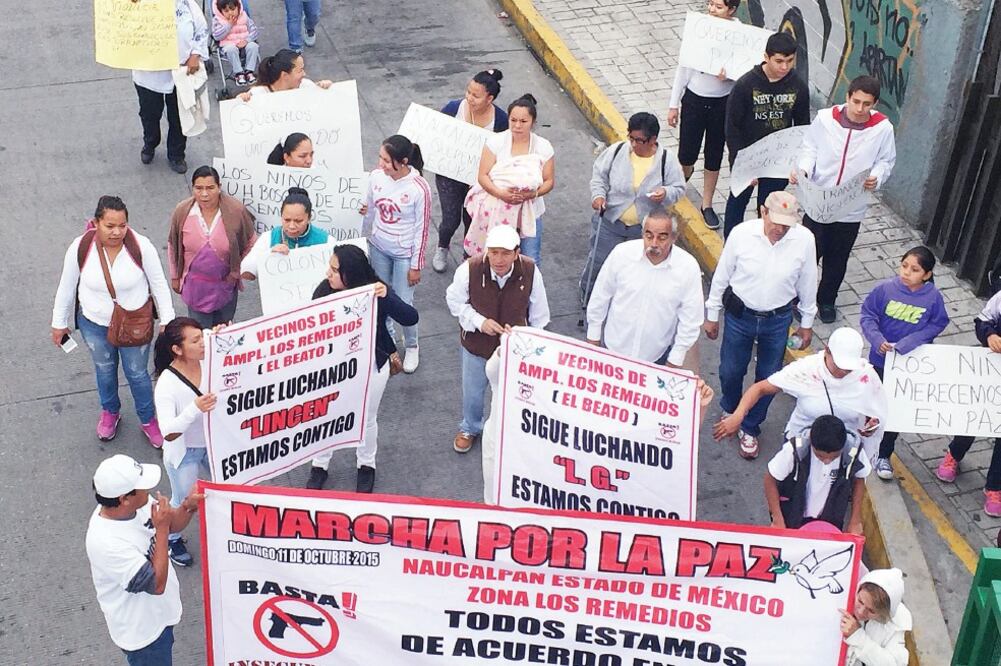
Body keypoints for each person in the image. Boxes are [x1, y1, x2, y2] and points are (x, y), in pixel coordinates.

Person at [52, 196, 176, 446]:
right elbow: (66, 286)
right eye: (110, 226)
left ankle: (148, 419)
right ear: (96, 223)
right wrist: (59, 322)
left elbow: (159, 283)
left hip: (135, 324)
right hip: (94, 324)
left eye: (122, 225)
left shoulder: (141, 246)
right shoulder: (81, 247)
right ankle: (110, 412)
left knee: (137, 374)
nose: (117, 232)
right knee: (105, 370)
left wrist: (168, 319)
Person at [704, 191, 817, 459]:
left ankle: (750, 426)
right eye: (775, 221)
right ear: (763, 212)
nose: (780, 229)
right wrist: (711, 313)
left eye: (786, 224)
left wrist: (807, 321)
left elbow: (808, 281)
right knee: (730, 371)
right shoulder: (741, 234)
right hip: (740, 316)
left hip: (778, 320)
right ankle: (731, 408)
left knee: (770, 377)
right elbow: (722, 275)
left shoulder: (804, 241)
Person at [305, 244, 418, 492]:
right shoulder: (324, 290)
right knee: (328, 415)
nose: (328, 274)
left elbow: (410, 317)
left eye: (335, 270)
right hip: (333, 368)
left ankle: (366, 464)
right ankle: (319, 465)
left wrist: (386, 294)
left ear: (351, 274)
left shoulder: (375, 291)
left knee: (367, 418)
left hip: (372, 365)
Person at [790, 75, 897, 323]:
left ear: (875, 104)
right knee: (808, 254)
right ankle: (799, 298)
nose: (860, 109)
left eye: (867, 104)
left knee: (838, 257)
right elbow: (810, 147)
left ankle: (826, 299)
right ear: (847, 96)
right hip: (819, 200)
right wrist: (804, 169)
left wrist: (877, 177)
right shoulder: (826, 119)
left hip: (850, 206)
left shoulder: (883, 129)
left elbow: (886, 161)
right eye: (856, 101)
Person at [85, 454, 202, 665]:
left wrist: (188, 506)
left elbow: (173, 522)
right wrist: (163, 529)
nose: (147, 491)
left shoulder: (137, 504)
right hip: (142, 633)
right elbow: (156, 584)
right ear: (124, 499)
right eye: (142, 488)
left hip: (159, 614)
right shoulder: (105, 543)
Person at [446, 225, 550, 453]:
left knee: (515, 393)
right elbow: (454, 301)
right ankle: (470, 427)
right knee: (473, 391)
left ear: (516, 252)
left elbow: (540, 315)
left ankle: (510, 430)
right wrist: (479, 321)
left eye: (505, 253)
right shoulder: (469, 269)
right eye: (493, 252)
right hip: (476, 345)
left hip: (515, 349)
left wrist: (530, 342)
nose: (498, 259)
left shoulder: (531, 271)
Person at [714, 327, 887, 461]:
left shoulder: (866, 376)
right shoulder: (806, 369)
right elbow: (760, 389)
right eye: (839, 366)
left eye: (848, 369)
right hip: (801, 448)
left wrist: (872, 424)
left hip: (842, 451)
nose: (843, 372)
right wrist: (737, 416)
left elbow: (875, 411)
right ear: (827, 351)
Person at [581, 112, 686, 318]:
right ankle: (589, 298)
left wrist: (665, 193)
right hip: (611, 222)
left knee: (638, 268)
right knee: (599, 262)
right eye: (632, 138)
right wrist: (599, 196)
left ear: (654, 140)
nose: (635, 144)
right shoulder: (617, 151)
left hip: (643, 230)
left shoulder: (666, 160)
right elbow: (599, 176)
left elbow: (679, 188)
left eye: (641, 140)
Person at [859, 246, 948, 480]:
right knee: (872, 405)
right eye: (904, 265)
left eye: (915, 269)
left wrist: (911, 341)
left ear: (927, 275)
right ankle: (863, 446)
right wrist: (877, 340)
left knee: (895, 410)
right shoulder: (885, 290)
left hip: (907, 365)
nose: (907, 272)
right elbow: (868, 315)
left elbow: (938, 323)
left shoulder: (933, 298)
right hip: (879, 360)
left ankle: (884, 454)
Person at [586, 209, 703, 367]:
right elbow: (600, 297)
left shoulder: (688, 268)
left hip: (656, 358)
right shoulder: (621, 254)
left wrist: (673, 362)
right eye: (649, 236)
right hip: (613, 351)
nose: (654, 243)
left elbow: (690, 320)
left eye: (662, 237)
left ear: (674, 238)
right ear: (642, 234)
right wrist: (593, 341)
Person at [723, 31, 809, 237]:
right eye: (779, 61)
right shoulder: (745, 85)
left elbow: (803, 127)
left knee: (770, 208)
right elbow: (732, 127)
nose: (784, 67)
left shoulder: (798, 86)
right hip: (748, 156)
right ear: (766, 57)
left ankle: (763, 245)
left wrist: (799, 163)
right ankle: (731, 245)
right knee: (737, 202)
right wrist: (740, 162)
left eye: (789, 61)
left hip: (778, 160)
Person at [666, 0, 741, 229]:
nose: (712, 9)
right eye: (710, 4)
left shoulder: (740, 35)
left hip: (723, 102)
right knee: (687, 153)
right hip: (695, 99)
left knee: (714, 154)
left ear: (731, 10)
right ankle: (680, 183)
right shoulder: (699, 27)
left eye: (718, 6)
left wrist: (730, 76)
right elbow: (684, 67)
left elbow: (746, 70)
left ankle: (706, 204)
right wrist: (673, 104)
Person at [361, 135, 431, 374]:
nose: (381, 164)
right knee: (381, 298)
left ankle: (412, 345)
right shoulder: (375, 177)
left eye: (386, 160)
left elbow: (422, 228)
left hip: (404, 254)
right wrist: (361, 239)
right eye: (380, 157)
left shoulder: (419, 188)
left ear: (402, 162)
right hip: (378, 246)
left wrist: (416, 264)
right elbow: (369, 210)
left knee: (403, 301)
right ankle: (389, 344)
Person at [152, 318, 217, 567]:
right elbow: (168, 432)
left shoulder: (210, 351)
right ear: (177, 350)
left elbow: (223, 337)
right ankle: (172, 538)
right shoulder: (167, 385)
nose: (203, 343)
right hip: (185, 452)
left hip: (214, 443)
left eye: (202, 337)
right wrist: (194, 409)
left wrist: (222, 332)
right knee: (183, 500)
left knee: (228, 487)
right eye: (196, 340)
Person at [432, 69, 510, 274]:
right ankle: (442, 246)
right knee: (450, 219)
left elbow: (503, 153)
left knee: (472, 219)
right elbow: (436, 135)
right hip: (449, 175)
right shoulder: (453, 108)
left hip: (479, 181)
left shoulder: (501, 120)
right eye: (468, 92)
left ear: (490, 98)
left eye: (476, 95)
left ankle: (470, 256)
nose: (469, 98)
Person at [465, 94, 555, 265]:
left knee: (530, 259)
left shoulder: (543, 147)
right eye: (513, 120)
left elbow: (549, 181)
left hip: (530, 211)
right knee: (491, 257)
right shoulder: (495, 142)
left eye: (523, 121)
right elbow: (483, 176)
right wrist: (501, 194)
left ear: (533, 122)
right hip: (496, 211)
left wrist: (533, 194)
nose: (517, 125)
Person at [935, 289, 1001, 515]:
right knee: (973, 417)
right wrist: (990, 335)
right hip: (991, 372)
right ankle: (954, 454)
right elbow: (982, 321)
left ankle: (994, 486)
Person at [167, 166, 257, 327]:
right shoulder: (182, 212)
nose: (204, 194)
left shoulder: (235, 211)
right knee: (200, 334)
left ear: (219, 187)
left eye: (210, 188)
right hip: (196, 288)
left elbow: (251, 242)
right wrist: (175, 276)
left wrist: (237, 272)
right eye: (199, 188)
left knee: (224, 333)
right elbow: (173, 245)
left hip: (225, 286)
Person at [133, 0, 210, 174]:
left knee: (178, 116)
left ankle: (176, 154)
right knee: (149, 114)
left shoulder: (186, 4)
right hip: (149, 73)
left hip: (180, 73)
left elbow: (201, 29)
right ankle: (150, 142)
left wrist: (195, 54)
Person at [764, 415, 869, 534]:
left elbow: (859, 479)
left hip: (831, 518)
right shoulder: (793, 450)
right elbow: (770, 479)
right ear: (811, 443)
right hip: (792, 514)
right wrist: (777, 518)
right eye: (820, 456)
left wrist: (855, 519)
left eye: (834, 457)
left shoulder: (854, 451)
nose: (827, 461)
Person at [240, 187, 330, 279]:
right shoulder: (269, 237)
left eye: (298, 221)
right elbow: (246, 273)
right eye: (287, 220)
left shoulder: (327, 241)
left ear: (309, 218)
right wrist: (269, 256)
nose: (291, 226)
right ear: (281, 216)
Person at [842, 569, 911, 665]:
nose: (861, 612)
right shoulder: (841, 599)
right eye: (860, 601)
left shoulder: (894, 623)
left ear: (883, 613)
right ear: (859, 589)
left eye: (871, 611)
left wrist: (858, 636)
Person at [239, 49, 332, 100]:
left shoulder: (306, 85)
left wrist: (326, 89)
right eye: (300, 70)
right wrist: (240, 101)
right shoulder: (258, 94)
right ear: (285, 75)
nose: (304, 74)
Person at [212, 0, 260, 86]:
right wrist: (229, 25)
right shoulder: (218, 20)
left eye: (233, 9)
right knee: (231, 49)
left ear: (238, 7)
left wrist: (247, 40)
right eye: (226, 11)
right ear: (221, 12)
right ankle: (239, 73)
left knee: (253, 46)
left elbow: (254, 31)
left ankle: (249, 71)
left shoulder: (244, 17)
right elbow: (216, 36)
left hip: (244, 43)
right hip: (228, 46)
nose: (230, 13)